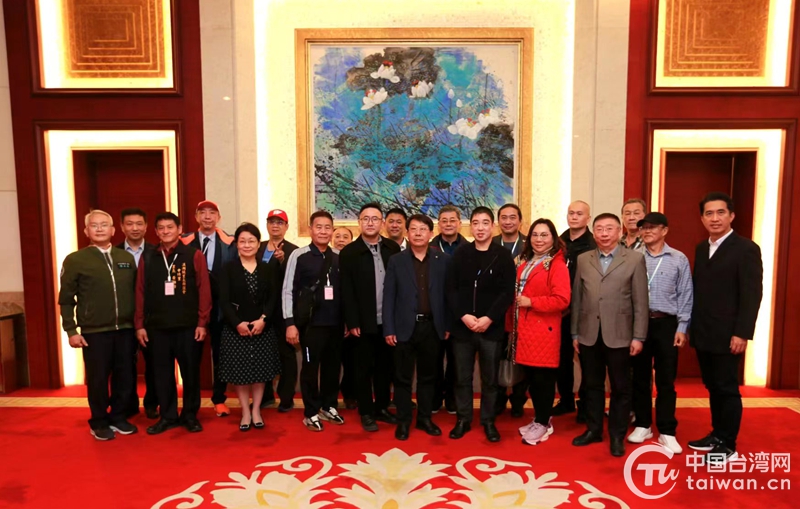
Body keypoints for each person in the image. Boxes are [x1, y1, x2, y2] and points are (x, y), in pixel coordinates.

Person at [688, 192, 762, 463]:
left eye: (721, 212)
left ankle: (728, 443)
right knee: (712, 386)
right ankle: (717, 434)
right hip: (704, 331)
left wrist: (742, 332)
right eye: (709, 213)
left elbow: (752, 294)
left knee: (727, 387)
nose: (715, 218)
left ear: (731, 215)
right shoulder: (701, 248)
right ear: (702, 218)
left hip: (729, 334)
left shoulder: (746, 248)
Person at [571, 213, 648, 457]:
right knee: (592, 385)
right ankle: (594, 430)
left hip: (621, 335)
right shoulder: (584, 259)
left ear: (619, 231)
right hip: (588, 334)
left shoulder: (634, 259)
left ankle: (616, 435)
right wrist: (574, 332)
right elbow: (577, 298)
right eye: (599, 229)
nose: (604, 233)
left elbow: (641, 302)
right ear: (594, 233)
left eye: (609, 229)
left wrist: (638, 337)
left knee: (620, 388)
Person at [59, 210, 138, 441]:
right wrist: (71, 330)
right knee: (98, 379)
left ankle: (118, 417)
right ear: (87, 231)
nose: (100, 229)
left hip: (126, 329)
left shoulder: (126, 258)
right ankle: (99, 421)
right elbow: (66, 299)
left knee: (125, 377)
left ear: (113, 230)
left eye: (105, 225)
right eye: (95, 225)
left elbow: (137, 293)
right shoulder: (75, 260)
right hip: (94, 332)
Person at [136, 212, 212, 435]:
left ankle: (190, 415)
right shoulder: (148, 257)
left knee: (190, 373)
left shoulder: (194, 255)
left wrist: (202, 322)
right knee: (162, 374)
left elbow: (204, 290)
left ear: (179, 229)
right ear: (156, 231)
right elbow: (140, 291)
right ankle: (167, 416)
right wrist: (139, 325)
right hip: (157, 327)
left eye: (170, 227)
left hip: (189, 327)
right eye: (161, 228)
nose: (165, 231)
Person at [447, 206, 515, 442]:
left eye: (485, 223)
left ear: (492, 226)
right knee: (462, 377)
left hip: (491, 328)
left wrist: (489, 318)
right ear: (470, 227)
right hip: (463, 328)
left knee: (490, 379)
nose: (480, 228)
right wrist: (463, 316)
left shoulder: (503, 255)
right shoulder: (460, 254)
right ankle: (463, 419)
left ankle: (488, 421)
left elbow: (507, 293)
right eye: (475, 223)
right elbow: (451, 290)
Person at [627, 212, 693, 454]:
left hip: (667, 324)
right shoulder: (633, 257)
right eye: (643, 228)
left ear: (664, 230)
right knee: (640, 377)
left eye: (652, 227)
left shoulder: (678, 258)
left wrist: (682, 327)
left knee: (666, 380)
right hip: (639, 324)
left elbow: (686, 294)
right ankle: (643, 424)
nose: (647, 231)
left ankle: (667, 429)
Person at [384, 214, 452, 440]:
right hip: (403, 327)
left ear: (431, 233)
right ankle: (403, 421)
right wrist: (389, 328)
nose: (418, 233)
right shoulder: (396, 260)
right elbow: (389, 296)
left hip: (432, 327)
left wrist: (447, 324)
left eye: (423, 229)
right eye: (413, 229)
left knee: (428, 377)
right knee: (402, 378)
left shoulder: (443, 260)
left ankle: (424, 418)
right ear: (407, 233)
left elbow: (448, 296)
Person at [282, 210, 345, 432]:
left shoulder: (338, 256)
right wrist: (290, 323)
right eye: (319, 227)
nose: (323, 231)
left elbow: (345, 292)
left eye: (327, 227)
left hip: (335, 324)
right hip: (310, 325)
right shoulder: (299, 255)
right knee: (310, 369)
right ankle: (310, 411)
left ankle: (329, 406)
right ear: (310, 229)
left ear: (332, 230)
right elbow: (287, 290)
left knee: (332, 368)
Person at [341, 203, 401, 431]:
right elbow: (346, 290)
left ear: (382, 223)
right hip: (362, 323)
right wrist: (352, 321)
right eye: (365, 218)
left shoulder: (392, 248)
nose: (370, 222)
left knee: (385, 368)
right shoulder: (349, 252)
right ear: (359, 222)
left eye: (375, 219)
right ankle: (366, 411)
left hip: (388, 321)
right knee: (363, 369)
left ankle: (382, 407)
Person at [511, 219, 571, 445]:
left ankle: (544, 423)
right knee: (533, 380)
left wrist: (532, 302)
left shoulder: (556, 264)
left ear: (553, 238)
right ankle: (538, 419)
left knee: (543, 381)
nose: (539, 239)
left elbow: (562, 299)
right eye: (535, 235)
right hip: (525, 330)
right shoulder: (527, 260)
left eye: (544, 235)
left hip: (543, 331)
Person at [219, 223, 281, 431]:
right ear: (236, 244)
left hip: (262, 327)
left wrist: (264, 319)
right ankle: (245, 411)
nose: (247, 245)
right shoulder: (228, 268)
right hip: (236, 329)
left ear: (258, 243)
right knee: (240, 374)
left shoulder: (267, 268)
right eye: (242, 241)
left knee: (260, 373)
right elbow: (224, 300)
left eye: (251, 241)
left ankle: (256, 410)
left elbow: (273, 298)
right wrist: (237, 323)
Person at [181, 200, 236, 418]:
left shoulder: (229, 243)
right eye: (202, 212)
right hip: (191, 309)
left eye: (212, 213)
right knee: (190, 356)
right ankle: (191, 403)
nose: (207, 217)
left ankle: (219, 399)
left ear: (218, 217)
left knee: (221, 355)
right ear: (196, 217)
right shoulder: (183, 242)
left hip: (220, 308)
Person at [553, 200, 596, 421]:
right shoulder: (558, 242)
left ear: (588, 218)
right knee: (562, 359)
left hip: (585, 310)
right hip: (560, 311)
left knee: (588, 360)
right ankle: (566, 400)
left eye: (579, 213)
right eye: (571, 213)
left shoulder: (594, 244)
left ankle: (586, 404)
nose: (574, 217)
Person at [116, 207, 158, 419]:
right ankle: (128, 404)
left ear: (146, 226)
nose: (135, 228)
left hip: (151, 319)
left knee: (154, 364)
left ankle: (152, 403)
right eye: (130, 224)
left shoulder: (156, 251)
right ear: (122, 226)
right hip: (123, 318)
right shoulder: (113, 252)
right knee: (124, 364)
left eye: (139, 223)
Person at [256, 209, 299, 411]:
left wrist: (283, 261)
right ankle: (265, 396)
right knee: (261, 354)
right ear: (267, 225)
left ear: (286, 227)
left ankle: (286, 397)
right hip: (260, 310)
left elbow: (295, 281)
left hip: (283, 311)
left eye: (280, 222)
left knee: (286, 355)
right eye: (272, 222)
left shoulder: (294, 251)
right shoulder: (257, 247)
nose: (275, 226)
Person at [492, 203, 528, 418]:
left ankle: (518, 399)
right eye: (503, 217)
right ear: (498, 222)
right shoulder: (490, 244)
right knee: (496, 356)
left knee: (521, 357)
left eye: (512, 217)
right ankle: (497, 399)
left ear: (520, 221)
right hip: (495, 311)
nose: (508, 221)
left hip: (522, 310)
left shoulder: (530, 245)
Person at [431, 205, 466, 413]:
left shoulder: (469, 248)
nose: (448, 224)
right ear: (439, 225)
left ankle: (452, 398)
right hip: (434, 312)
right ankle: (435, 398)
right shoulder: (428, 247)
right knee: (433, 359)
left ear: (459, 224)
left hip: (460, 314)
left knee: (456, 360)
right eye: (444, 220)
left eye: (452, 220)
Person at [331, 225, 357, 409]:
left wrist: (350, 321)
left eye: (345, 237)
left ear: (351, 240)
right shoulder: (327, 259)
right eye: (337, 236)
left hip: (351, 320)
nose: (341, 240)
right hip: (331, 319)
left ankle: (349, 394)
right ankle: (330, 398)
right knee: (331, 363)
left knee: (351, 363)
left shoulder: (355, 259)